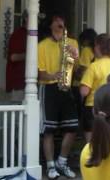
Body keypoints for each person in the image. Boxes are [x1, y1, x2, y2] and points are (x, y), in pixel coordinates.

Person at [38, 14, 79, 179]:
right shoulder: (41, 46)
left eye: (62, 21)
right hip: (48, 88)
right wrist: (54, 75)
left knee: (72, 127)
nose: (60, 23)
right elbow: (40, 74)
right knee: (49, 130)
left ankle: (62, 162)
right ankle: (50, 166)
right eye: (56, 21)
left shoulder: (72, 43)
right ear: (51, 25)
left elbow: (75, 70)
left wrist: (74, 56)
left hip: (66, 87)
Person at [80, 33, 110, 142]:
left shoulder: (94, 66)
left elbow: (84, 91)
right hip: (109, 107)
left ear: (98, 47)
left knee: (91, 142)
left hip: (93, 106)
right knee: (105, 139)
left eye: (95, 46)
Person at [71, 28, 97, 124]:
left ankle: (78, 130)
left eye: (82, 41)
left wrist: (74, 73)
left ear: (86, 40)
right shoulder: (96, 51)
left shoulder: (86, 50)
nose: (81, 44)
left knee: (77, 110)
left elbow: (83, 69)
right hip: (91, 85)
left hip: (80, 84)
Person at [6, 10, 28, 103]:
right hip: (18, 84)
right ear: (26, 19)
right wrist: (31, 56)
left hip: (30, 84)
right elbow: (13, 57)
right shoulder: (18, 34)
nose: (38, 21)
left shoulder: (33, 35)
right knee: (18, 115)